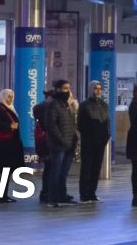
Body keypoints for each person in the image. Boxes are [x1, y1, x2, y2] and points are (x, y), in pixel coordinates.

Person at [44, 79, 78, 207]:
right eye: (65, 88)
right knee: (56, 171)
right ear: (58, 89)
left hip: (69, 143)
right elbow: (51, 125)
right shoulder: (54, 105)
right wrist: (62, 140)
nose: (68, 91)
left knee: (63, 172)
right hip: (59, 145)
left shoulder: (66, 104)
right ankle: (52, 197)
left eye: (69, 88)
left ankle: (62, 195)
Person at [0, 89, 24, 204]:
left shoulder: (9, 109)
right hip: (3, 146)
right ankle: (1, 196)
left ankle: (3, 195)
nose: (10, 99)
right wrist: (10, 126)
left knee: (7, 171)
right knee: (4, 171)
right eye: (8, 97)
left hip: (10, 145)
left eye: (12, 96)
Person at [77, 81, 110, 203]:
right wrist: (90, 135)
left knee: (96, 168)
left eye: (100, 88)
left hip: (100, 142)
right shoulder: (84, 105)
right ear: (91, 89)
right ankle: (84, 194)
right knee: (86, 168)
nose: (98, 91)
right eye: (96, 88)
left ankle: (92, 192)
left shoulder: (104, 105)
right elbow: (81, 124)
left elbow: (107, 122)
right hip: (89, 141)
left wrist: (106, 136)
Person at [33, 89, 53, 203]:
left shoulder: (39, 107)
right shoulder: (45, 108)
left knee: (48, 168)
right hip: (47, 142)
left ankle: (45, 192)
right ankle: (46, 193)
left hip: (43, 143)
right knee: (49, 168)